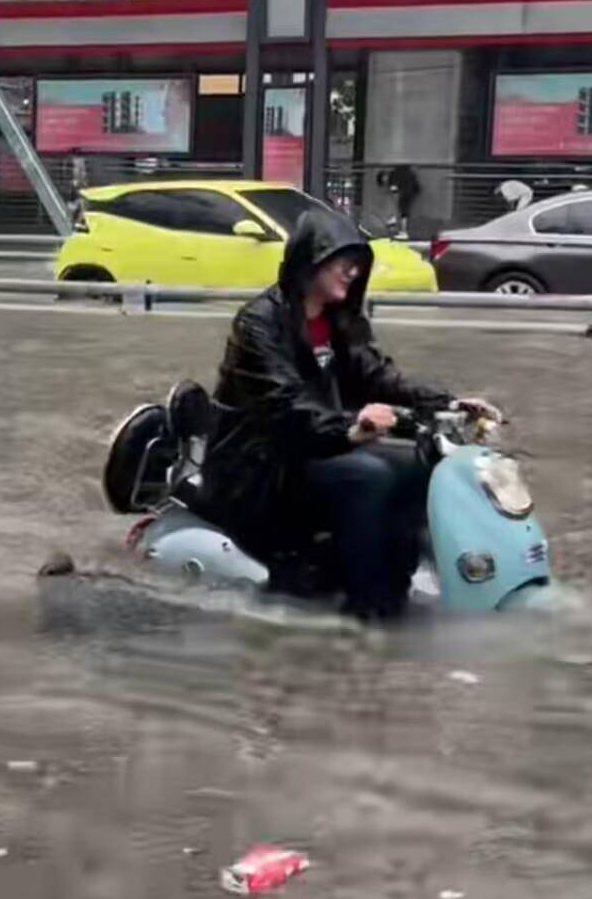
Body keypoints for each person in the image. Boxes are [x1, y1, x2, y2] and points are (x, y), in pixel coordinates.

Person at [201, 207, 500, 619]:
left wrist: (447, 402)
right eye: (343, 261)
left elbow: (377, 376)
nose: (352, 272)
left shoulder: (338, 319)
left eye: (357, 264)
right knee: (368, 475)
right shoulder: (259, 323)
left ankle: (397, 585)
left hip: (314, 444)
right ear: (312, 259)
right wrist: (350, 429)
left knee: (421, 462)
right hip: (261, 463)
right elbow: (284, 405)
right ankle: (367, 608)